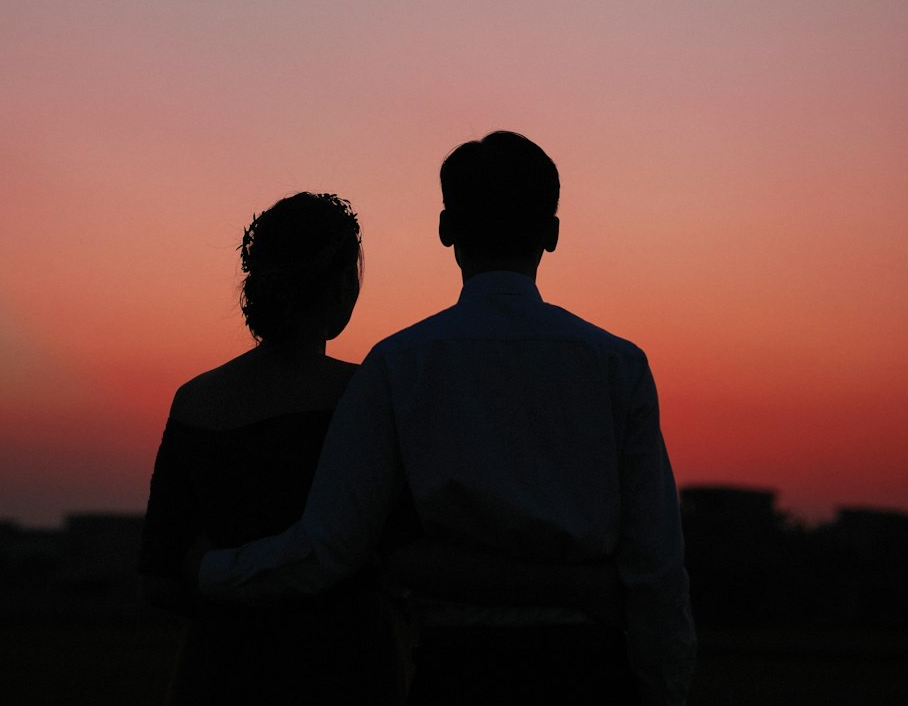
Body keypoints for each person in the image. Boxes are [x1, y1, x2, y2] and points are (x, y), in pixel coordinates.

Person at [196, 133, 696, 706]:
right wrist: (665, 686)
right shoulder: (616, 365)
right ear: (552, 233)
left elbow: (330, 545)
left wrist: (209, 571)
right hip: (588, 666)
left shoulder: (397, 365)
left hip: (458, 670)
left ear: (445, 229)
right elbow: (657, 562)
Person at [139, 191, 408, 704]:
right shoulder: (367, 395)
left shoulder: (196, 401)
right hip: (348, 670)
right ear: (341, 287)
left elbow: (160, 578)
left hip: (221, 669)